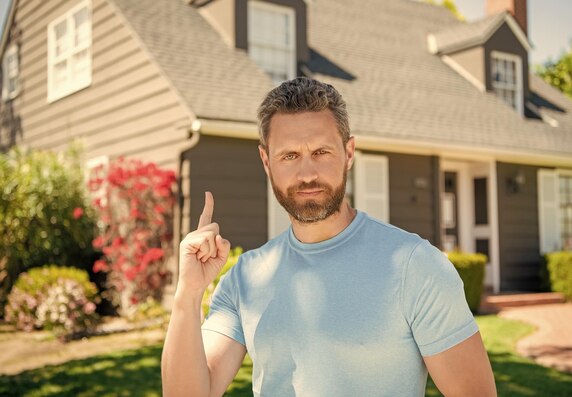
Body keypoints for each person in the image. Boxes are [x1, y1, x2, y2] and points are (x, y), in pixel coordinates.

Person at [161, 77, 497, 397]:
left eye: (321, 152)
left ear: (349, 153)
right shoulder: (244, 278)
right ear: (266, 161)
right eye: (289, 155)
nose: (307, 173)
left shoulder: (414, 265)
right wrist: (188, 296)